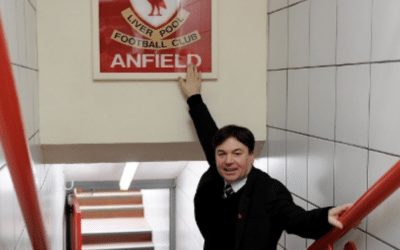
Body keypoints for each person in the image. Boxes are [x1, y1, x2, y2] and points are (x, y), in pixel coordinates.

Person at [177, 65, 352, 250]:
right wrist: (194, 99)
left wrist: (324, 218)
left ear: (251, 156)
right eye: (222, 154)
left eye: (237, 153)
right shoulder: (216, 174)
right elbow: (208, 135)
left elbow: (295, 218)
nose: (228, 160)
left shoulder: (270, 191)